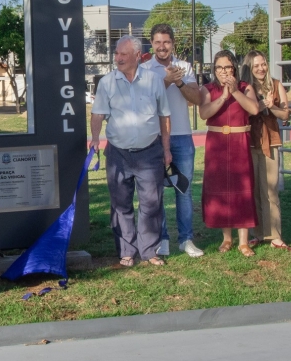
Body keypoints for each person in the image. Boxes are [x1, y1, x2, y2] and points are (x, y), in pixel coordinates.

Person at [90, 35, 171, 267]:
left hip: (150, 152)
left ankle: (149, 251)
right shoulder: (106, 82)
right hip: (118, 154)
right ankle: (126, 251)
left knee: (151, 203)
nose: (118, 58)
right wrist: (95, 138)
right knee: (120, 204)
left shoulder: (155, 80)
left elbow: (165, 116)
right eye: (116, 53)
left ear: (137, 55)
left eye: (123, 54)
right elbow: (97, 114)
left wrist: (166, 150)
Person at [141, 24, 204, 258]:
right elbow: (145, 101)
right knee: (157, 191)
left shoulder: (185, 67)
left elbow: (196, 98)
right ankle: (163, 239)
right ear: (152, 44)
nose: (162, 46)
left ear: (173, 43)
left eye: (166, 42)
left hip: (182, 136)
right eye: (157, 42)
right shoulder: (145, 69)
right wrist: (166, 81)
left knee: (184, 190)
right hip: (154, 137)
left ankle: (186, 239)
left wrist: (179, 82)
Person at [199, 50, 260, 256]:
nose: (223, 71)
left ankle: (244, 241)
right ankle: (227, 238)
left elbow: (253, 109)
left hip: (239, 142)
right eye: (219, 68)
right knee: (221, 188)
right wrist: (223, 96)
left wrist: (234, 92)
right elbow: (204, 113)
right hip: (216, 144)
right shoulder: (208, 89)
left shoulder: (245, 87)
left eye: (227, 67)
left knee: (241, 188)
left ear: (234, 68)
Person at [241, 50, 291, 251]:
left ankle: (275, 235)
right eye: (256, 66)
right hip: (250, 142)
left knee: (270, 190)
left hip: (270, 141)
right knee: (253, 190)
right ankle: (258, 233)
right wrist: (260, 105)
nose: (261, 68)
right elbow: (244, 113)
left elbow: (285, 113)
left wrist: (271, 107)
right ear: (249, 68)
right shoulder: (245, 88)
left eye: (263, 64)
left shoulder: (277, 85)